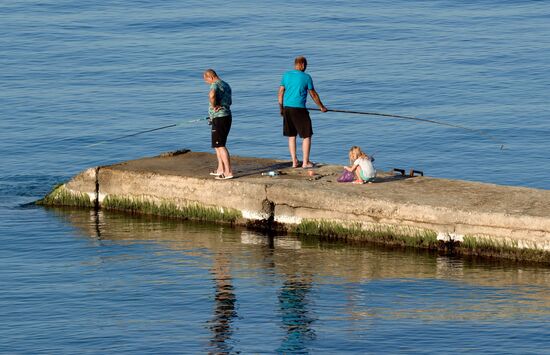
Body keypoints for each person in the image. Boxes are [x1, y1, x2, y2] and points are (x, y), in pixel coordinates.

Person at [278, 56, 327, 169]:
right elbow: (313, 94)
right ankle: (305, 162)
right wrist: (321, 107)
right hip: (299, 109)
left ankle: (294, 161)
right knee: (307, 135)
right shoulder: (306, 77)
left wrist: (281, 108)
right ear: (303, 65)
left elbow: (280, 93)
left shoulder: (286, 75)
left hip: (287, 108)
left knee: (291, 136)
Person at [203, 69, 233, 179]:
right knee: (217, 145)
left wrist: (214, 105)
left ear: (210, 77)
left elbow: (211, 95)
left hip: (220, 118)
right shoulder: (226, 84)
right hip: (226, 116)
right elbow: (229, 101)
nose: (207, 83)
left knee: (220, 145)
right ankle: (220, 169)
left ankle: (228, 172)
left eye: (207, 81)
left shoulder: (214, 85)